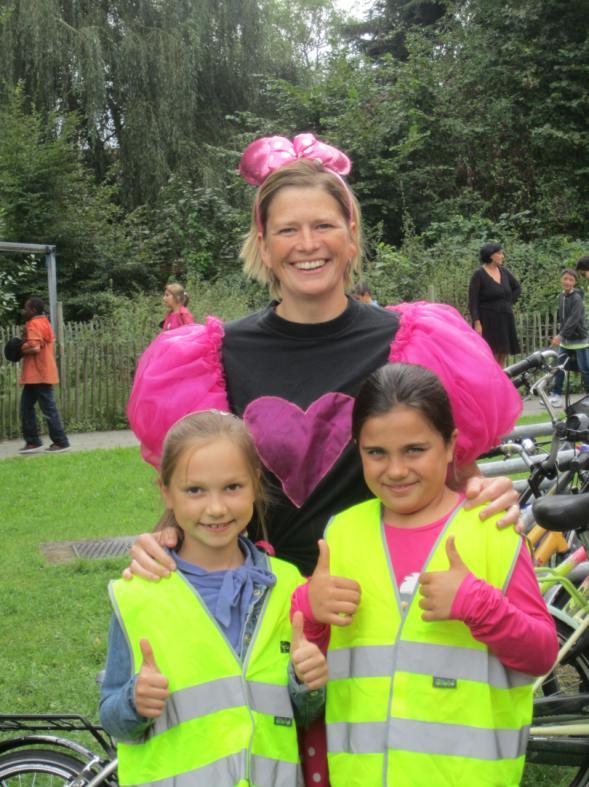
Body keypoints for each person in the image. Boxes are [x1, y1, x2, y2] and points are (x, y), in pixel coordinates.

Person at [125, 135, 521, 786]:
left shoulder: (414, 340)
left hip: (382, 604)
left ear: (350, 231)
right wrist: (165, 533)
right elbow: (199, 485)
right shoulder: (211, 355)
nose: (306, 243)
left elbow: (448, 468)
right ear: (263, 240)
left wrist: (487, 493)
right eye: (287, 228)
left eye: (322, 224)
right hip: (261, 612)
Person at [296, 363, 557, 786]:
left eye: (415, 450)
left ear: (451, 445)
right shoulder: (341, 533)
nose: (396, 470)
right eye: (376, 453)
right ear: (357, 448)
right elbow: (313, 646)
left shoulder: (492, 530)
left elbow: (542, 654)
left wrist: (482, 607)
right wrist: (310, 608)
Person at [100, 410, 327, 786]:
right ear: (166, 491)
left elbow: (298, 715)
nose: (217, 507)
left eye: (232, 487)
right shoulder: (137, 594)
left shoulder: (288, 587)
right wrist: (134, 703)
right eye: (195, 490)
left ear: (255, 484)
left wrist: (308, 685)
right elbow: (112, 717)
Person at [18, 297, 70, 454]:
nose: (24, 311)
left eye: (26, 308)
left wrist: (20, 348)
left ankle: (61, 442)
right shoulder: (44, 322)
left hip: (39, 373)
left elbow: (34, 348)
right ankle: (33, 442)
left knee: (48, 409)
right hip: (38, 373)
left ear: (33, 310)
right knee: (26, 407)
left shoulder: (34, 323)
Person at [468, 242, 521, 367]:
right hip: (487, 320)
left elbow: (517, 288)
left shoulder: (504, 272)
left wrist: (508, 303)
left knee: (502, 353)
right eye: (500, 253)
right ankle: (488, 383)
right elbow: (473, 301)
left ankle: (499, 382)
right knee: (489, 355)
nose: (503, 256)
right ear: (491, 255)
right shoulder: (479, 275)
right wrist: (477, 323)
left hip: (505, 318)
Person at [549, 268, 589, 407]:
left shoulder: (577, 299)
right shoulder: (560, 297)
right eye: (565, 279)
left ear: (575, 282)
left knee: (585, 369)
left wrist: (560, 335)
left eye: (571, 280)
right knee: (559, 367)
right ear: (561, 280)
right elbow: (563, 319)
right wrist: (562, 335)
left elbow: (573, 320)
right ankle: (556, 394)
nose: (567, 282)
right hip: (566, 341)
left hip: (580, 341)